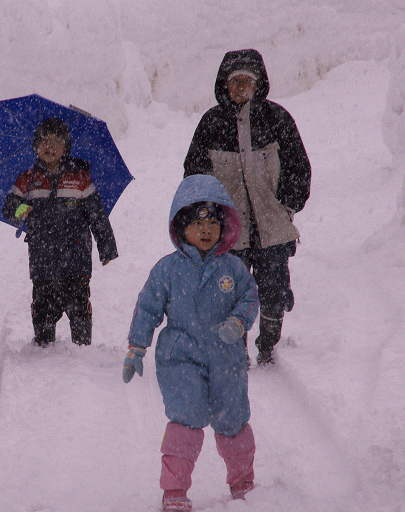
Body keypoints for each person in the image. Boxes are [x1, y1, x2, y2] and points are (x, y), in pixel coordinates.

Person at [123, 174, 259, 512]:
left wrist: (238, 322)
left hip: (226, 355)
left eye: (213, 222)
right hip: (181, 356)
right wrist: (136, 347)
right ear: (181, 227)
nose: (206, 230)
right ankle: (174, 491)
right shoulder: (167, 270)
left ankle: (243, 483)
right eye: (197, 223)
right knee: (186, 419)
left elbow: (250, 297)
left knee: (233, 420)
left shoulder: (233, 268)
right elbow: (148, 307)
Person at [183, 48, 311, 366]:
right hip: (227, 230)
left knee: (274, 292)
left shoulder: (276, 119)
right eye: (234, 81)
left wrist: (287, 204)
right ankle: (234, 350)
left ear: (259, 84)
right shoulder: (211, 123)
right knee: (229, 294)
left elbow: (299, 166)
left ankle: (268, 344)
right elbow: (194, 174)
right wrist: (205, 217)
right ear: (224, 85)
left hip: (272, 226)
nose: (241, 87)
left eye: (247, 81)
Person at [2, 117, 118, 347]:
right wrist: (19, 210)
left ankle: (82, 352)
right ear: (36, 146)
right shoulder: (27, 179)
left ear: (66, 147)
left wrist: (107, 249)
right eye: (44, 141)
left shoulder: (80, 178)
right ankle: (43, 351)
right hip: (42, 260)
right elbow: (8, 209)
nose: (50, 147)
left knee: (79, 310)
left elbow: (97, 215)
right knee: (43, 310)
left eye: (56, 141)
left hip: (76, 258)